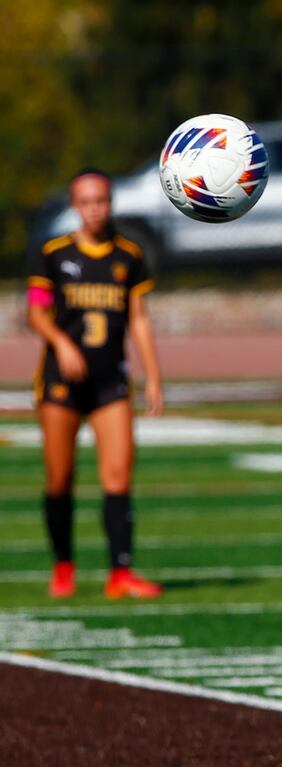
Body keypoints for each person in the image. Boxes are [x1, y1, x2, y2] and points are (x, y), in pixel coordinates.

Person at [27, 168, 164, 600]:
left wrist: (154, 376)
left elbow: (138, 319)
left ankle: (120, 573)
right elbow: (35, 312)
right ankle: (63, 564)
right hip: (60, 384)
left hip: (110, 383)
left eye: (101, 201)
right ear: (74, 206)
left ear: (111, 203)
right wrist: (60, 344)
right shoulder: (53, 253)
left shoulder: (128, 255)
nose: (94, 209)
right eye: (86, 202)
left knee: (119, 477)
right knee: (59, 477)